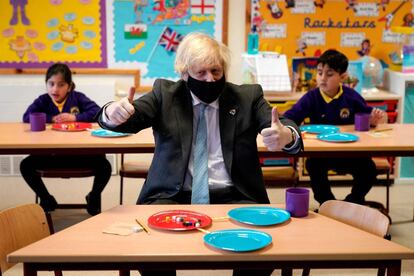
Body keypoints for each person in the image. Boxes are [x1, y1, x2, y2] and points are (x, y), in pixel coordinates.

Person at [97, 32, 303, 276]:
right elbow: (130, 117)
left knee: (260, 259)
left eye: (216, 71)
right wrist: (112, 113)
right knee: (150, 256)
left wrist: (287, 135)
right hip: (172, 195)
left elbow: (282, 123)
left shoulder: (248, 96)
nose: (210, 79)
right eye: (201, 73)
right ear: (184, 73)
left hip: (235, 195)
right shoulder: (165, 94)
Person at [284, 49, 386, 206]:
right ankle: (328, 204)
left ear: (343, 77)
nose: (322, 78)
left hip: (351, 154)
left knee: (369, 169)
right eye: (319, 73)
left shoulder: (351, 96)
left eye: (329, 74)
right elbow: (289, 119)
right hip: (323, 154)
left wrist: (375, 119)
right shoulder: (311, 97)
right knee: (312, 165)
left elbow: (371, 117)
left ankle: (353, 202)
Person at [20, 63, 112, 216]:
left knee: (105, 166)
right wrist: (51, 118)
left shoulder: (78, 97)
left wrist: (75, 117)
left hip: (80, 155)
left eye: (61, 85)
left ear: (69, 87)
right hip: (50, 156)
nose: (55, 89)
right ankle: (46, 199)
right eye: (51, 84)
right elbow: (26, 117)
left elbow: (96, 112)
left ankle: (93, 197)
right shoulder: (43, 100)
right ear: (46, 84)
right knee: (25, 166)